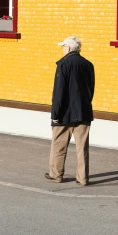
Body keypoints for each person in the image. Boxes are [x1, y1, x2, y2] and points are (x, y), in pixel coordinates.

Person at [45, 36, 95, 186]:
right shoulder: (88, 65)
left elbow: (59, 92)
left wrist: (55, 114)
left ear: (68, 48)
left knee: (59, 145)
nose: (62, 49)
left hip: (64, 114)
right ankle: (83, 178)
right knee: (82, 148)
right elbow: (91, 89)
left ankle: (56, 174)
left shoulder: (63, 64)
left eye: (63, 47)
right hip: (83, 111)